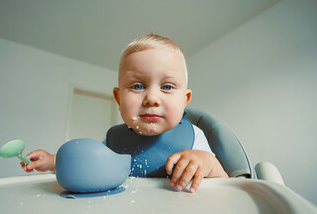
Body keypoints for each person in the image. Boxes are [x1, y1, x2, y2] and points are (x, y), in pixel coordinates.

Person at [21, 33, 228, 193]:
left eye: (167, 86)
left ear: (185, 101)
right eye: (138, 86)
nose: (152, 98)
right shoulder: (114, 140)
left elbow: (227, 184)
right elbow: (90, 161)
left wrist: (205, 162)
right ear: (119, 99)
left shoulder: (193, 136)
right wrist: (52, 161)